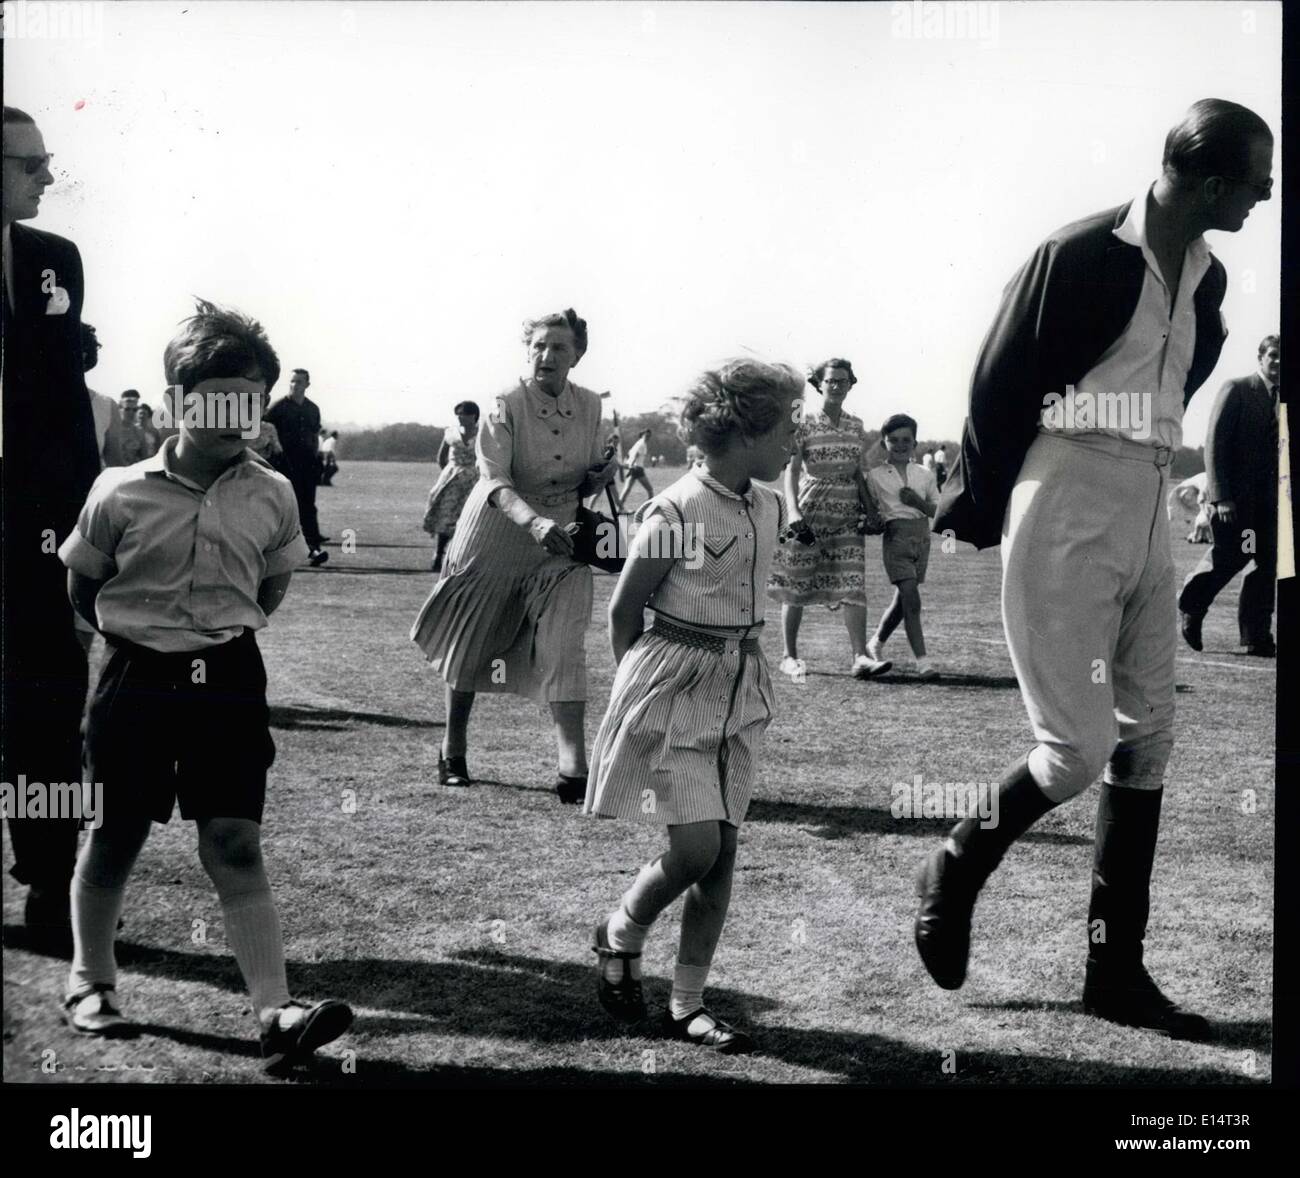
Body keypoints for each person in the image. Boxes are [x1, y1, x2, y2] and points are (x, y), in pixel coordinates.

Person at [916, 99, 1270, 1039]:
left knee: (1147, 741)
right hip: (1066, 487)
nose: (1268, 192)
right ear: (1206, 180)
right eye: (1256, 176)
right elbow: (997, 386)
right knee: (1077, 749)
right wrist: (988, 507)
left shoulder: (1206, 275)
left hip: (1150, 498)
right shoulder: (1077, 253)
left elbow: (1181, 380)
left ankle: (1114, 973)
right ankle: (956, 860)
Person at [57, 299, 353, 1070]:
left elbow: (272, 584)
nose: (234, 415)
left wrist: (217, 636)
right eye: (215, 398)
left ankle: (275, 1013)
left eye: (249, 399)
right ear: (173, 405)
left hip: (226, 678)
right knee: (114, 834)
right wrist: (137, 642)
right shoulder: (119, 490)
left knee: (234, 842)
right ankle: (92, 982)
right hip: (134, 679)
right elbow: (83, 589)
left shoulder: (274, 492)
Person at [585, 357, 802, 1053]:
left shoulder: (770, 505)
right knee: (697, 848)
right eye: (786, 428)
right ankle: (620, 930)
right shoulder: (675, 509)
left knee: (724, 853)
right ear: (743, 434)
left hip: (739, 686)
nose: (793, 441)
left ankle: (688, 1003)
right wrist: (643, 691)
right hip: (673, 686)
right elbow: (626, 612)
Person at [410, 309, 619, 800]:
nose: (546, 356)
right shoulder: (504, 403)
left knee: (565, 644)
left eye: (559, 348)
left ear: (577, 356)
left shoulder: (591, 406)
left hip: (562, 541)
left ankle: (573, 766)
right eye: (539, 346)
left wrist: (600, 474)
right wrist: (534, 521)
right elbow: (494, 479)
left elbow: (586, 473)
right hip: (497, 537)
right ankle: (453, 746)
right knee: (471, 643)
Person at [2, 105, 102, 951]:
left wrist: (82, 531)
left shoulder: (54, 261)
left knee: (49, 706)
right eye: (30, 163)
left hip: (36, 535)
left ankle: (46, 887)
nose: (46, 177)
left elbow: (68, 407)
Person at [767, 359, 890, 680]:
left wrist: (871, 509)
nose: (836, 386)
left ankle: (860, 656)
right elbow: (792, 473)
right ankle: (789, 655)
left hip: (847, 516)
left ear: (851, 384)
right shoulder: (803, 422)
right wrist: (793, 513)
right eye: (831, 380)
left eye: (843, 381)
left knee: (853, 584)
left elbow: (858, 473)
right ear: (819, 384)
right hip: (809, 512)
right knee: (796, 583)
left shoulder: (855, 425)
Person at [1178, 334, 1279, 656]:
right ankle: (1193, 606)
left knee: (1266, 566)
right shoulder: (1237, 389)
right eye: (1274, 356)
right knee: (1231, 557)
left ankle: (1256, 636)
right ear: (1261, 358)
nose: (1278, 363)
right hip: (1234, 502)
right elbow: (1215, 444)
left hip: (1272, 506)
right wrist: (1221, 497)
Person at [865, 413, 940, 679]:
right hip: (895, 538)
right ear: (884, 443)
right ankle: (923, 663)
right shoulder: (874, 476)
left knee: (903, 600)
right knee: (912, 598)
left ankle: (876, 643)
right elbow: (870, 512)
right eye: (893, 440)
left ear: (915, 443)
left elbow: (938, 511)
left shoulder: (925, 474)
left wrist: (918, 503)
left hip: (922, 539)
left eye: (906, 440)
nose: (900, 445)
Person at [266, 368, 328, 565]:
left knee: (308, 507)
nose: (295, 385)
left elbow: (314, 435)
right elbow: (265, 431)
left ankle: (313, 550)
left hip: (307, 466)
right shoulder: (278, 407)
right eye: (292, 381)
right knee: (281, 508)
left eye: (299, 382)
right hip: (283, 465)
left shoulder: (313, 409)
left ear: (307, 385)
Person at [422, 401, 480, 572]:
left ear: (473, 416)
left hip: (475, 481)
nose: (460, 417)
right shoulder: (451, 433)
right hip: (452, 479)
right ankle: (438, 555)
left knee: (469, 518)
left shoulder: (484, 433)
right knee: (445, 516)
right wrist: (449, 473)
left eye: (464, 414)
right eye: (458, 414)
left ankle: (463, 558)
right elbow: (441, 457)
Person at [616, 428, 654, 511]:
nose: (648, 437)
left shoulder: (638, 443)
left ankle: (619, 509)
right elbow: (636, 455)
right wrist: (631, 465)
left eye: (649, 436)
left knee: (627, 489)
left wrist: (629, 465)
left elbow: (629, 454)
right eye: (646, 435)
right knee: (650, 489)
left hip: (633, 468)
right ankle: (649, 508)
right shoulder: (642, 444)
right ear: (642, 434)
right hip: (637, 468)